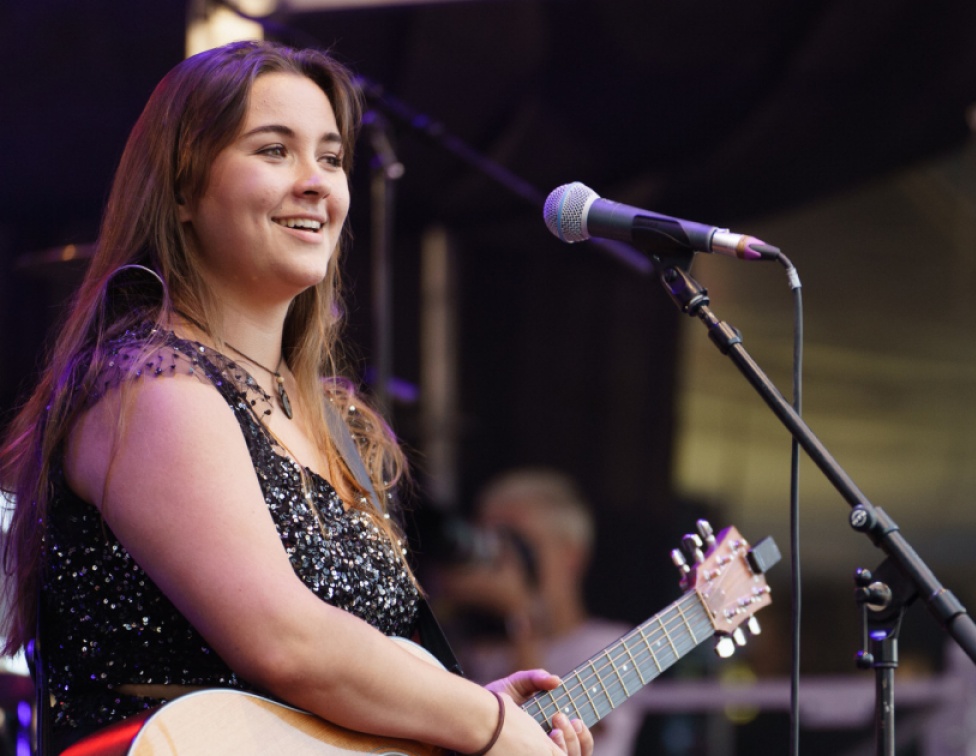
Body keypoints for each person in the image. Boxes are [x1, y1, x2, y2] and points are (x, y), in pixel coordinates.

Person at [0, 40, 591, 755]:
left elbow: (334, 703)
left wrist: (463, 722)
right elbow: (286, 642)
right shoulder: (151, 387)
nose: (317, 183)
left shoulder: (337, 423)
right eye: (274, 150)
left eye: (332, 158)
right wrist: (487, 725)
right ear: (182, 190)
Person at [431, 469, 641, 756]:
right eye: (491, 542)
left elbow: (547, 735)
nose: (503, 561)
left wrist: (519, 611)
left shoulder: (609, 643)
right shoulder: (477, 650)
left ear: (570, 556)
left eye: (519, 543)